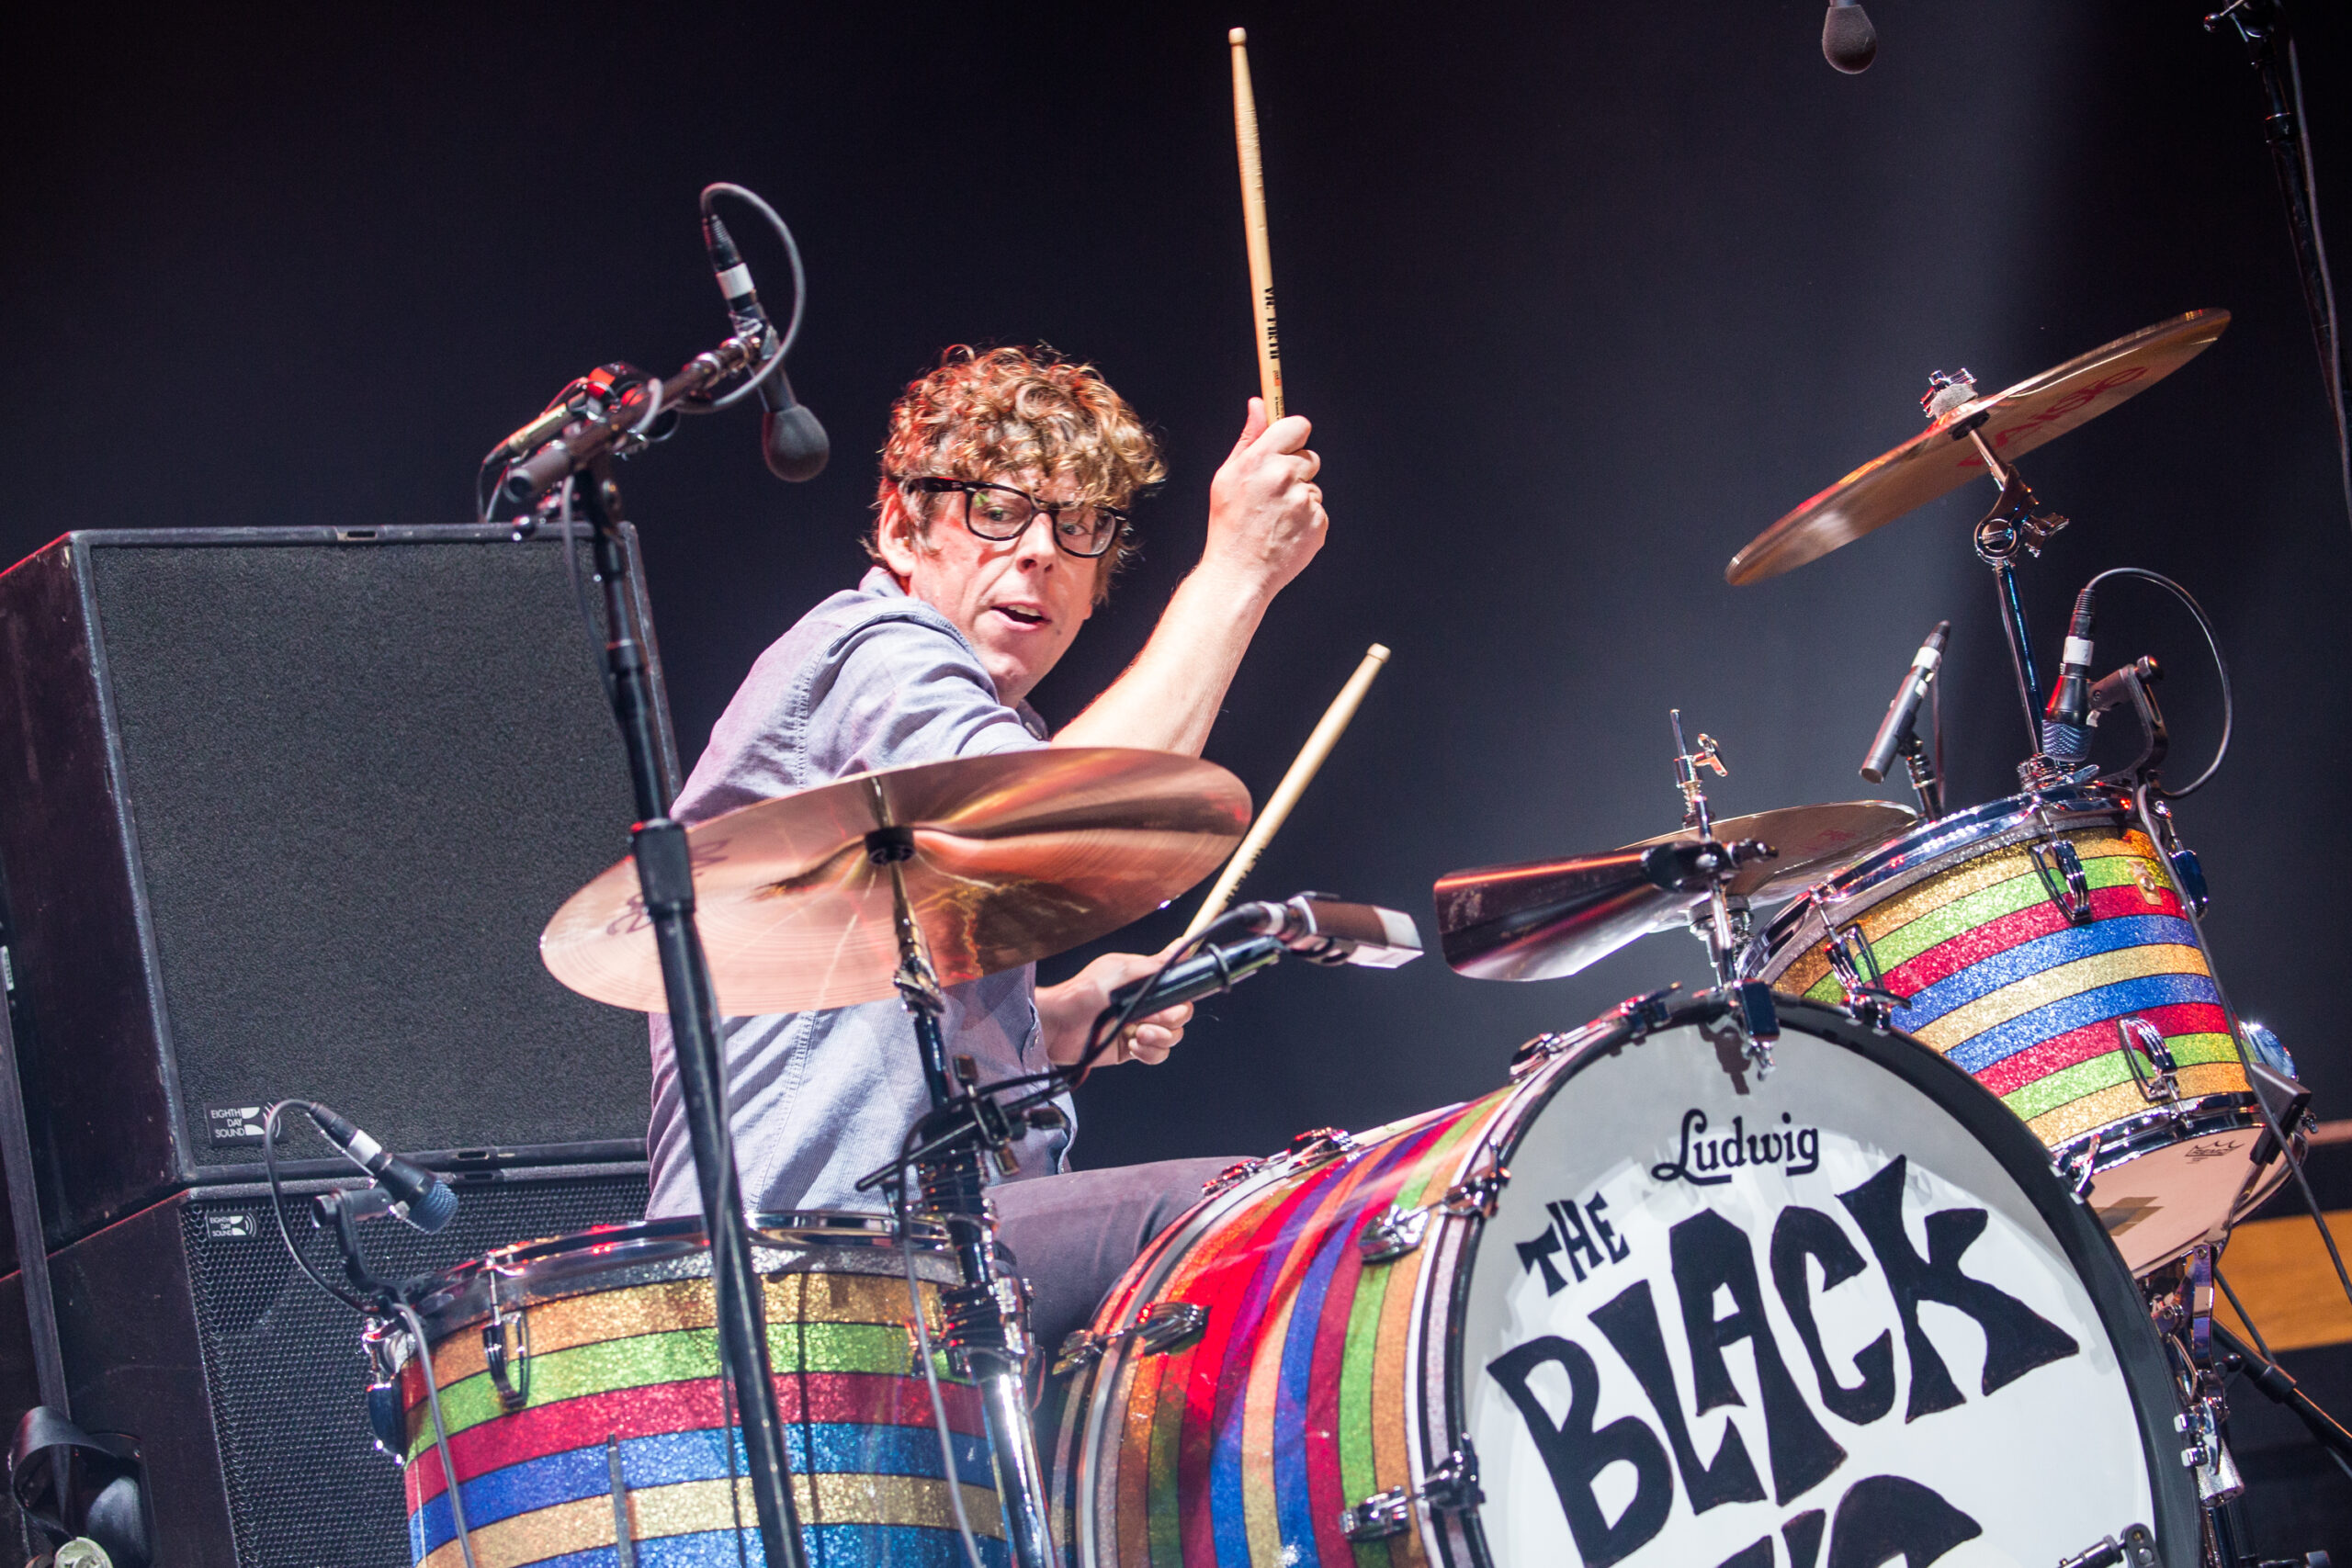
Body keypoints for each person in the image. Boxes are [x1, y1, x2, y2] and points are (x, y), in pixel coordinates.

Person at [646, 344, 1326, 1353]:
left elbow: (874, 1013)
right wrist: (1236, 572)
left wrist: (1056, 1021)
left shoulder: (985, 741)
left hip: (903, 1263)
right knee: (1240, 1221)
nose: (1042, 550)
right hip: (802, 1261)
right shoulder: (871, 654)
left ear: (1099, 586)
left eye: (1080, 525)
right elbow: (1049, 824)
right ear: (898, 529)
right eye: (998, 509)